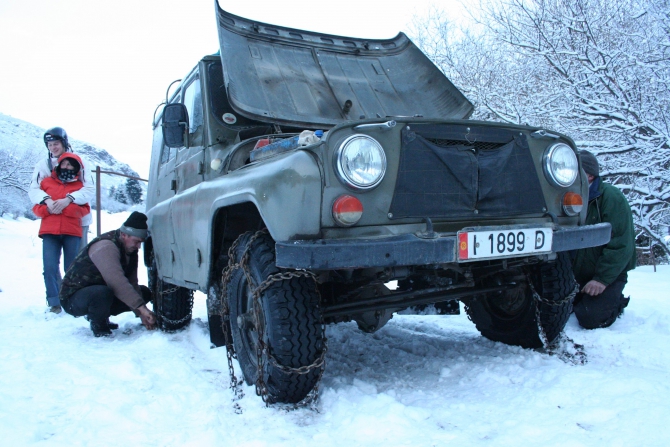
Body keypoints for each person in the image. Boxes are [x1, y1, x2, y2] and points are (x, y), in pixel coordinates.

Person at [59, 211, 157, 337]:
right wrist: (142, 309)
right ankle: (99, 326)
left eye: (140, 243)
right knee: (102, 293)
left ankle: (100, 314)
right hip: (73, 298)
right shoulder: (106, 246)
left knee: (143, 293)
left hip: (100, 293)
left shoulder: (130, 250)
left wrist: (140, 313)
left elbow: (132, 282)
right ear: (124, 235)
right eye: (136, 241)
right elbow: (116, 281)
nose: (138, 246)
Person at [571, 151, 636, 329]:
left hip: (609, 274)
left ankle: (615, 302)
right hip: (574, 276)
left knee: (590, 318)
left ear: (589, 175)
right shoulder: (566, 199)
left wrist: (602, 279)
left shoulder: (611, 197)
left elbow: (621, 244)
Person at [32, 153, 91, 313]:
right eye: (63, 164)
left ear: (76, 168)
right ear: (58, 166)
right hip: (49, 232)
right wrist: (48, 208)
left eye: (70, 165)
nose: (66, 167)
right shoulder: (46, 183)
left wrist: (67, 206)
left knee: (71, 268)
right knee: (50, 267)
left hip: (72, 231)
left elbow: (85, 209)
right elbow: (36, 208)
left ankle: (73, 300)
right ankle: (54, 302)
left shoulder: (79, 187)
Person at [29, 127, 94, 250]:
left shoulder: (80, 162)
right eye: (50, 144)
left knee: (77, 261)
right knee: (51, 262)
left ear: (64, 143)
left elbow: (89, 188)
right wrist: (47, 200)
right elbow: (34, 189)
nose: (53, 147)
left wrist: (69, 199)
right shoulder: (43, 165)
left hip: (77, 218)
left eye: (56, 144)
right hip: (52, 220)